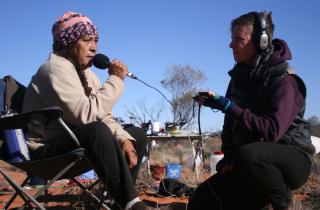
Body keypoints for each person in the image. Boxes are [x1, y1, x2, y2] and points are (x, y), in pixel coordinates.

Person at [22, 11, 151, 210]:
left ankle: (121, 202)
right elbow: (88, 115)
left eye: (96, 40)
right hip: (45, 154)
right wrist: (115, 80)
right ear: (68, 43)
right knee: (96, 130)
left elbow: (102, 114)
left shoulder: (88, 75)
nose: (94, 48)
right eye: (87, 40)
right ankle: (131, 204)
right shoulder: (53, 70)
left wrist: (123, 137)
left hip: (76, 146)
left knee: (136, 135)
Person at [188, 11, 315, 210]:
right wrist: (228, 158)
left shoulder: (285, 81)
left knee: (250, 155)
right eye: (232, 38)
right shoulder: (238, 78)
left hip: (292, 159)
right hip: (250, 162)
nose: (231, 45)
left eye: (238, 39)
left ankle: (283, 203)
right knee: (200, 200)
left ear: (261, 41)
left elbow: (271, 131)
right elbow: (230, 125)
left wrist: (229, 106)